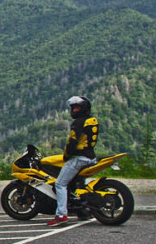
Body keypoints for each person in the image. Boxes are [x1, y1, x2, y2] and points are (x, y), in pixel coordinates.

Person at [47, 96, 99, 227]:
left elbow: (72, 142)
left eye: (77, 107)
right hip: (91, 157)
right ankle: (83, 211)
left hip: (79, 158)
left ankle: (61, 215)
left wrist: (66, 156)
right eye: (73, 108)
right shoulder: (92, 120)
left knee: (60, 184)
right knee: (77, 183)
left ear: (83, 108)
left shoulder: (77, 123)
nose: (74, 110)